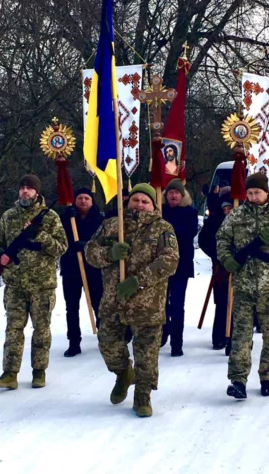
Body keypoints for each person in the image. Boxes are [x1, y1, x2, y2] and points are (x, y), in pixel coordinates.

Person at [85, 183, 179, 418]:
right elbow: (89, 252)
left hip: (147, 303)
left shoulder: (162, 228)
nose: (140, 204)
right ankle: (123, 372)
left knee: (146, 354)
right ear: (128, 202)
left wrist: (138, 281)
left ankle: (143, 396)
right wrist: (109, 254)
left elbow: (169, 261)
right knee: (108, 344)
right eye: (136, 200)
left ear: (153, 205)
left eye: (145, 201)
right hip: (113, 302)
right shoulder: (111, 225)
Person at [217, 173, 269, 399]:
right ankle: (238, 380)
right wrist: (227, 259)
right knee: (241, 336)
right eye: (250, 193)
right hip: (243, 286)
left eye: (257, 193)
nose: (253, 197)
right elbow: (222, 240)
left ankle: (267, 376)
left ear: (267, 192)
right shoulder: (236, 215)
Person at [0, 174, 68, 390]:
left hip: (42, 285)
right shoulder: (9, 216)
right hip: (15, 284)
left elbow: (62, 247)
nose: (25, 192)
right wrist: (0, 256)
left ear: (37, 192)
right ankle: (10, 373)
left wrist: (41, 236)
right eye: (22, 188)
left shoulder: (50, 217)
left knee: (41, 329)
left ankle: (39, 371)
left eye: (30, 188)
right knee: (13, 329)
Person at [59, 188, 104, 357]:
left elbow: (102, 241)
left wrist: (86, 246)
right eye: (80, 198)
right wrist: (66, 216)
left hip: (93, 268)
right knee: (71, 307)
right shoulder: (67, 218)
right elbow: (59, 238)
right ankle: (74, 341)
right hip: (71, 268)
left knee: (98, 304)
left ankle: (104, 337)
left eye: (86, 198)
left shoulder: (99, 219)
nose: (83, 201)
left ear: (92, 201)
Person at [161, 179, 198, 356]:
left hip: (181, 265)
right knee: (160, 303)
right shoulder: (160, 212)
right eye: (170, 193)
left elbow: (187, 233)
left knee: (177, 305)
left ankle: (177, 342)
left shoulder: (190, 213)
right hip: (160, 265)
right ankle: (162, 331)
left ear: (182, 196)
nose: (173, 196)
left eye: (176, 193)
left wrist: (167, 230)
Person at [198, 186, 232, 350]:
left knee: (238, 302)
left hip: (241, 268)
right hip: (220, 268)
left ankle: (234, 338)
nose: (227, 211)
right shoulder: (215, 220)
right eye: (224, 208)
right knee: (221, 301)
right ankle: (219, 337)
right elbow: (203, 240)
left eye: (230, 208)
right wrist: (216, 254)